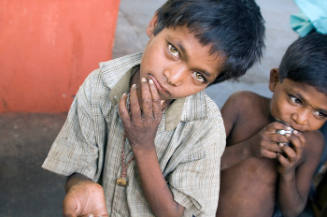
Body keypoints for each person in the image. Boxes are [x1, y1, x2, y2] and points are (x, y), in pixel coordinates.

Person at [42, 0, 265, 216]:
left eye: (198, 75)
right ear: (155, 23)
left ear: (211, 82)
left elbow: (178, 213)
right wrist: (80, 186)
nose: (174, 77)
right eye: (174, 50)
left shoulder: (204, 127)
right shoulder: (100, 85)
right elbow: (80, 164)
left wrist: (143, 145)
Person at [216, 32, 327, 217]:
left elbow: (292, 211)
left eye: (320, 113)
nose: (301, 119)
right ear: (275, 80)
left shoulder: (314, 143)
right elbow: (197, 164)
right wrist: (248, 148)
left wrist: (288, 173)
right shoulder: (242, 105)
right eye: (296, 100)